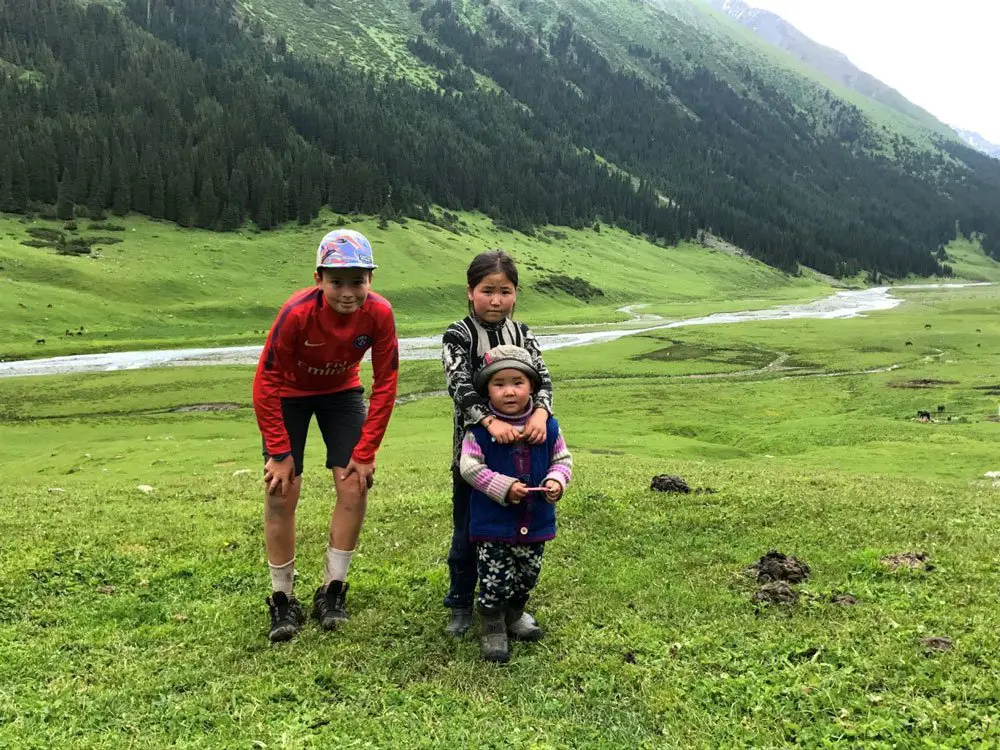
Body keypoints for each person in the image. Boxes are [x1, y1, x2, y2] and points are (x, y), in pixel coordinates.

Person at [253, 229, 399, 643]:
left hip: (341, 393)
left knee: (355, 485)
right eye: (337, 282)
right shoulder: (296, 312)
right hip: (288, 395)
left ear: (371, 279)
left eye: (359, 281)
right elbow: (265, 381)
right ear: (319, 279)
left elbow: (386, 381)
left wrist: (366, 450)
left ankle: (332, 591)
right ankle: (282, 600)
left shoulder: (380, 314)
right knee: (281, 491)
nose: (348, 292)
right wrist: (280, 452)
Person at [441, 250, 554, 637]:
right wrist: (489, 422)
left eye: (504, 291)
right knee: (469, 529)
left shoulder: (523, 334)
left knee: (518, 531)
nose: (496, 300)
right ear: (470, 292)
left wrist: (541, 413)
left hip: (526, 453)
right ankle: (460, 602)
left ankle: (509, 607)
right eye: (487, 290)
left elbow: (542, 377)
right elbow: (458, 385)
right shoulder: (458, 334)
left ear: (515, 293)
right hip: (475, 453)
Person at [459, 345, 572, 662]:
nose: (509, 391)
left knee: (527, 574)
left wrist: (556, 481)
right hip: (493, 524)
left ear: (532, 387)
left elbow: (562, 459)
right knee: (495, 577)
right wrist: (503, 486)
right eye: (499, 384)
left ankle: (515, 614)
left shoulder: (548, 427)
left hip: (535, 520)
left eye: (517, 382)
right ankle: (493, 623)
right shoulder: (479, 433)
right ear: (487, 391)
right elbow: (470, 467)